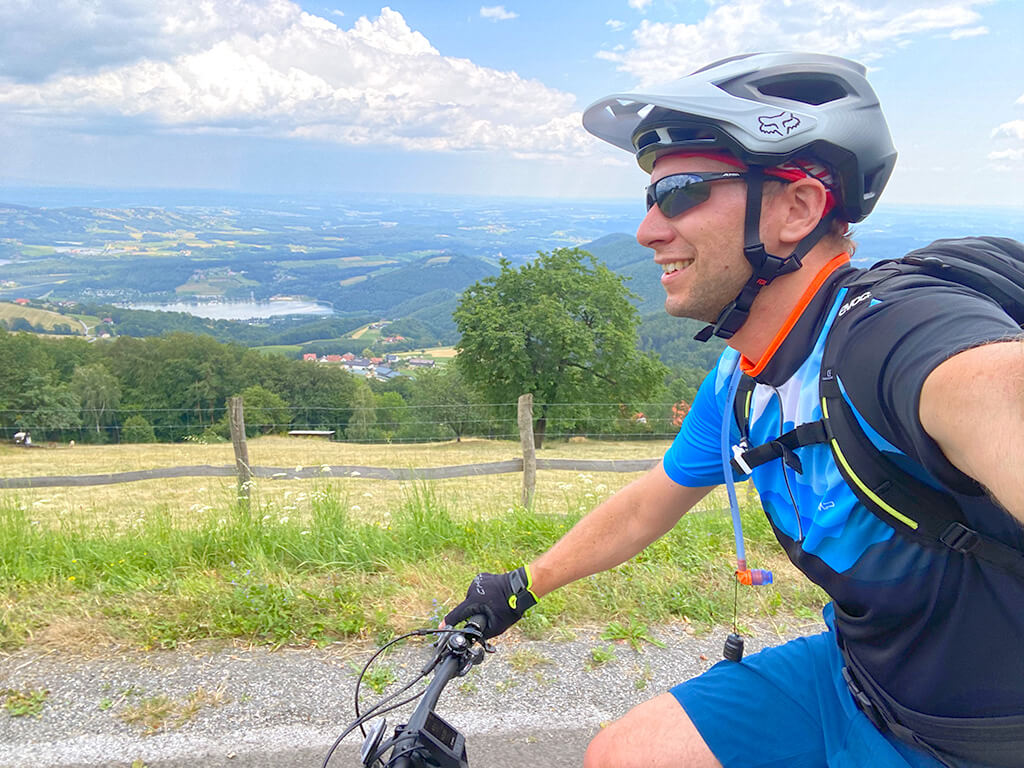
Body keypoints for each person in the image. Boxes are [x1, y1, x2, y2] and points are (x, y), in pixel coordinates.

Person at [443, 52, 1024, 768]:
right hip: (855, 681)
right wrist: (520, 588)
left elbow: (988, 384)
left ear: (798, 209)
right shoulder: (741, 379)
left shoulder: (892, 338)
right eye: (650, 199)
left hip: (981, 738)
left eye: (682, 192)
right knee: (622, 756)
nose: (649, 230)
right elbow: (652, 500)